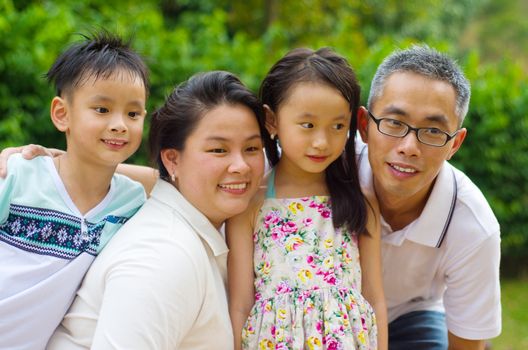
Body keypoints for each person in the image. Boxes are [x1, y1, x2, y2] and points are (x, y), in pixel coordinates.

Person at [44, 70, 266, 349]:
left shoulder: (197, 229)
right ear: (172, 160)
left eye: (252, 148)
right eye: (218, 150)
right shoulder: (165, 253)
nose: (241, 166)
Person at [227, 48, 387, 350]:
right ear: (272, 121)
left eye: (338, 126)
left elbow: (375, 297)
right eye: (308, 125)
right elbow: (240, 304)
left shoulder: (361, 202)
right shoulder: (251, 204)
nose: (322, 141)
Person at [0, 31, 149, 349]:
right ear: (61, 113)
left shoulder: (130, 201)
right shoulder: (19, 176)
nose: (120, 124)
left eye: (133, 113)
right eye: (102, 110)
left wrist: (68, 155)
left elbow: (167, 177)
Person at [356, 44, 501, 349]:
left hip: (410, 318)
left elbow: (467, 344)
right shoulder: (323, 166)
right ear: (364, 125)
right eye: (395, 123)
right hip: (325, 307)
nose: (409, 146)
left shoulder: (474, 227)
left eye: (433, 131)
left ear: (455, 144)